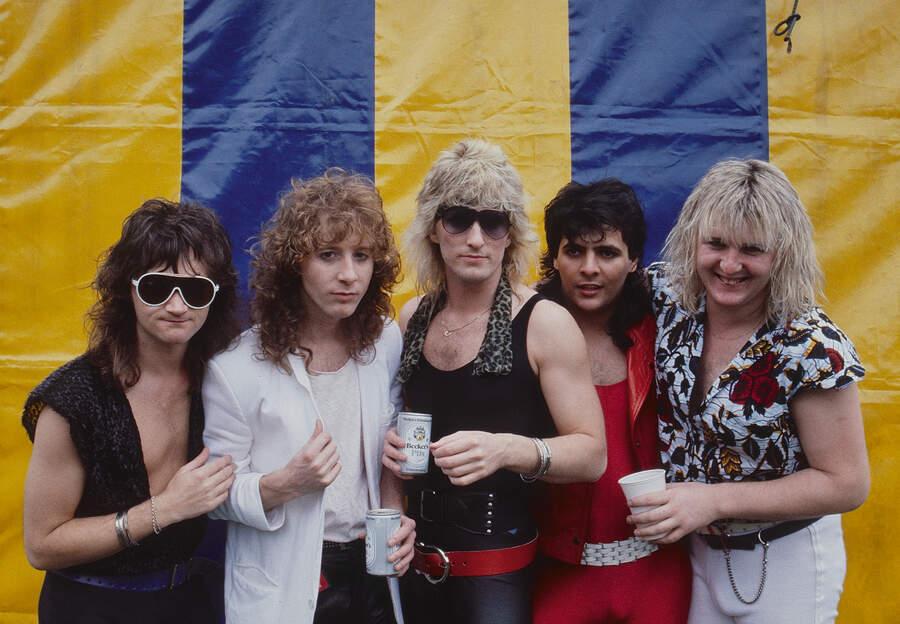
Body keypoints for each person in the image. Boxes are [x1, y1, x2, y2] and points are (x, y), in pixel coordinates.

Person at [630, 159, 870, 622]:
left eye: (752, 250)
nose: (730, 264)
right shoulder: (668, 297)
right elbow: (575, 294)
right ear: (693, 238)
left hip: (788, 557)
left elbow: (847, 483)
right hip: (700, 555)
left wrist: (712, 500)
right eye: (716, 244)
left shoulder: (811, 346)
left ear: (783, 252)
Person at [381, 139, 607, 624]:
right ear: (433, 230)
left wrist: (507, 449)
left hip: (501, 576)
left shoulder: (544, 322)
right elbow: (396, 443)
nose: (476, 238)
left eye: (494, 221)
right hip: (414, 569)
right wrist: (392, 480)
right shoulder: (412, 318)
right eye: (458, 219)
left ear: (511, 234)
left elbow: (592, 454)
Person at [201, 170, 416, 624]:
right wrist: (284, 483)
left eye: (362, 256)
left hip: (374, 571)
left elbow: (389, 449)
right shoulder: (235, 368)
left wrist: (396, 514)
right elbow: (215, 496)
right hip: (290, 577)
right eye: (328, 255)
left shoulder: (383, 343)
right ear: (295, 263)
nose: (348, 274)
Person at [22, 198, 241, 623]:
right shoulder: (74, 399)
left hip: (189, 603)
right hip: (89, 608)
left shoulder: (220, 382)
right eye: (158, 287)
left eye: (195, 290)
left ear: (215, 296)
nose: (177, 306)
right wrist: (164, 509)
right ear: (128, 288)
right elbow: (41, 544)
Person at [531, 178, 692, 623]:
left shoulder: (667, 332)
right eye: (574, 251)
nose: (589, 268)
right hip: (556, 571)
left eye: (606, 253)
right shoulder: (522, 332)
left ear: (634, 259)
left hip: (658, 570)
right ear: (554, 259)